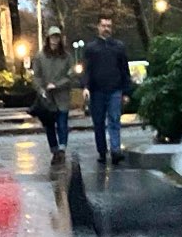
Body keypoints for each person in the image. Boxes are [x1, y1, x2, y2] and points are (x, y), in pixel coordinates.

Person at [81, 16, 131, 166]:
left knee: (115, 119)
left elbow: (124, 70)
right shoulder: (91, 48)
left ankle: (115, 150)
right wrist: (85, 87)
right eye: (103, 25)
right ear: (98, 27)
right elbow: (87, 70)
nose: (106, 28)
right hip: (97, 91)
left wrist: (127, 91)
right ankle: (102, 151)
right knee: (99, 122)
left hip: (115, 89)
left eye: (109, 26)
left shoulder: (119, 47)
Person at [31, 26, 76, 164]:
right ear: (48, 39)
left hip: (62, 96)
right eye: (52, 37)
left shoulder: (67, 57)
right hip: (47, 98)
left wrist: (58, 84)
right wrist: (41, 89)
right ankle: (54, 150)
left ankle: (62, 149)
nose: (55, 40)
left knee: (62, 124)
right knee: (50, 126)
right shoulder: (40, 56)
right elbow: (36, 76)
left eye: (57, 37)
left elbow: (71, 74)